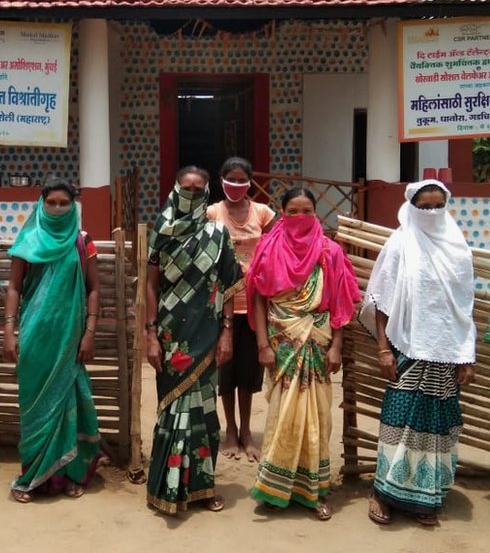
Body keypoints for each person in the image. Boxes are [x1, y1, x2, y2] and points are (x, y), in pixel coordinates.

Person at [360, 179, 477, 527]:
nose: (430, 212)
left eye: (436, 205)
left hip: (446, 354)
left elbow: (463, 306)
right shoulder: (400, 244)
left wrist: (466, 355)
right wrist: (383, 348)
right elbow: (381, 301)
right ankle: (383, 492)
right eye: (423, 206)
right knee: (398, 422)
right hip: (406, 349)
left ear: (446, 205)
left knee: (439, 425)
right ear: (411, 206)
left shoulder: (458, 248)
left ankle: (426, 496)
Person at [247, 187, 360, 520]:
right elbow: (258, 298)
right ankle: (274, 486)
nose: (300, 217)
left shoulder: (330, 251)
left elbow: (340, 301)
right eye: (293, 211)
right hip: (282, 344)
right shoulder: (268, 248)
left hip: (318, 342)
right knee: (283, 413)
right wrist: (263, 345)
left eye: (307, 210)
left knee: (318, 417)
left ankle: (314, 491)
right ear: (282, 213)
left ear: (316, 213)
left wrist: (337, 346)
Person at [145, 166, 244, 515]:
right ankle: (165, 488)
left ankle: (202, 488)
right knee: (172, 410)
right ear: (175, 189)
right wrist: (151, 334)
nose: (191, 194)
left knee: (204, 412)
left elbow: (230, 285)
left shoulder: (218, 233)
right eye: (185, 188)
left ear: (205, 193)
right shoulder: (162, 231)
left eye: (197, 189)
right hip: (171, 336)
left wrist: (228, 331)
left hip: (208, 332)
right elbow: (151, 284)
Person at [3, 178, 103, 502]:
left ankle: (71, 474)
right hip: (35, 338)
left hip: (70, 337)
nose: (58, 208)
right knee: (34, 408)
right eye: (52, 202)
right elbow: (15, 287)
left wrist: (89, 332)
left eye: (65, 203)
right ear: (41, 203)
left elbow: (93, 289)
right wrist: (8, 330)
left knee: (68, 402)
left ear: (73, 206)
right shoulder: (28, 239)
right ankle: (32, 476)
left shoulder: (82, 241)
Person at [206, 157, 277, 462]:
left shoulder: (264, 212)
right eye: (230, 179)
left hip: (254, 305)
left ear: (250, 182)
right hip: (220, 304)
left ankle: (247, 431)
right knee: (225, 372)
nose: (235, 185)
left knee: (248, 372)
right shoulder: (211, 212)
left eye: (241, 180)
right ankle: (230, 431)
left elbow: (278, 246)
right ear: (221, 180)